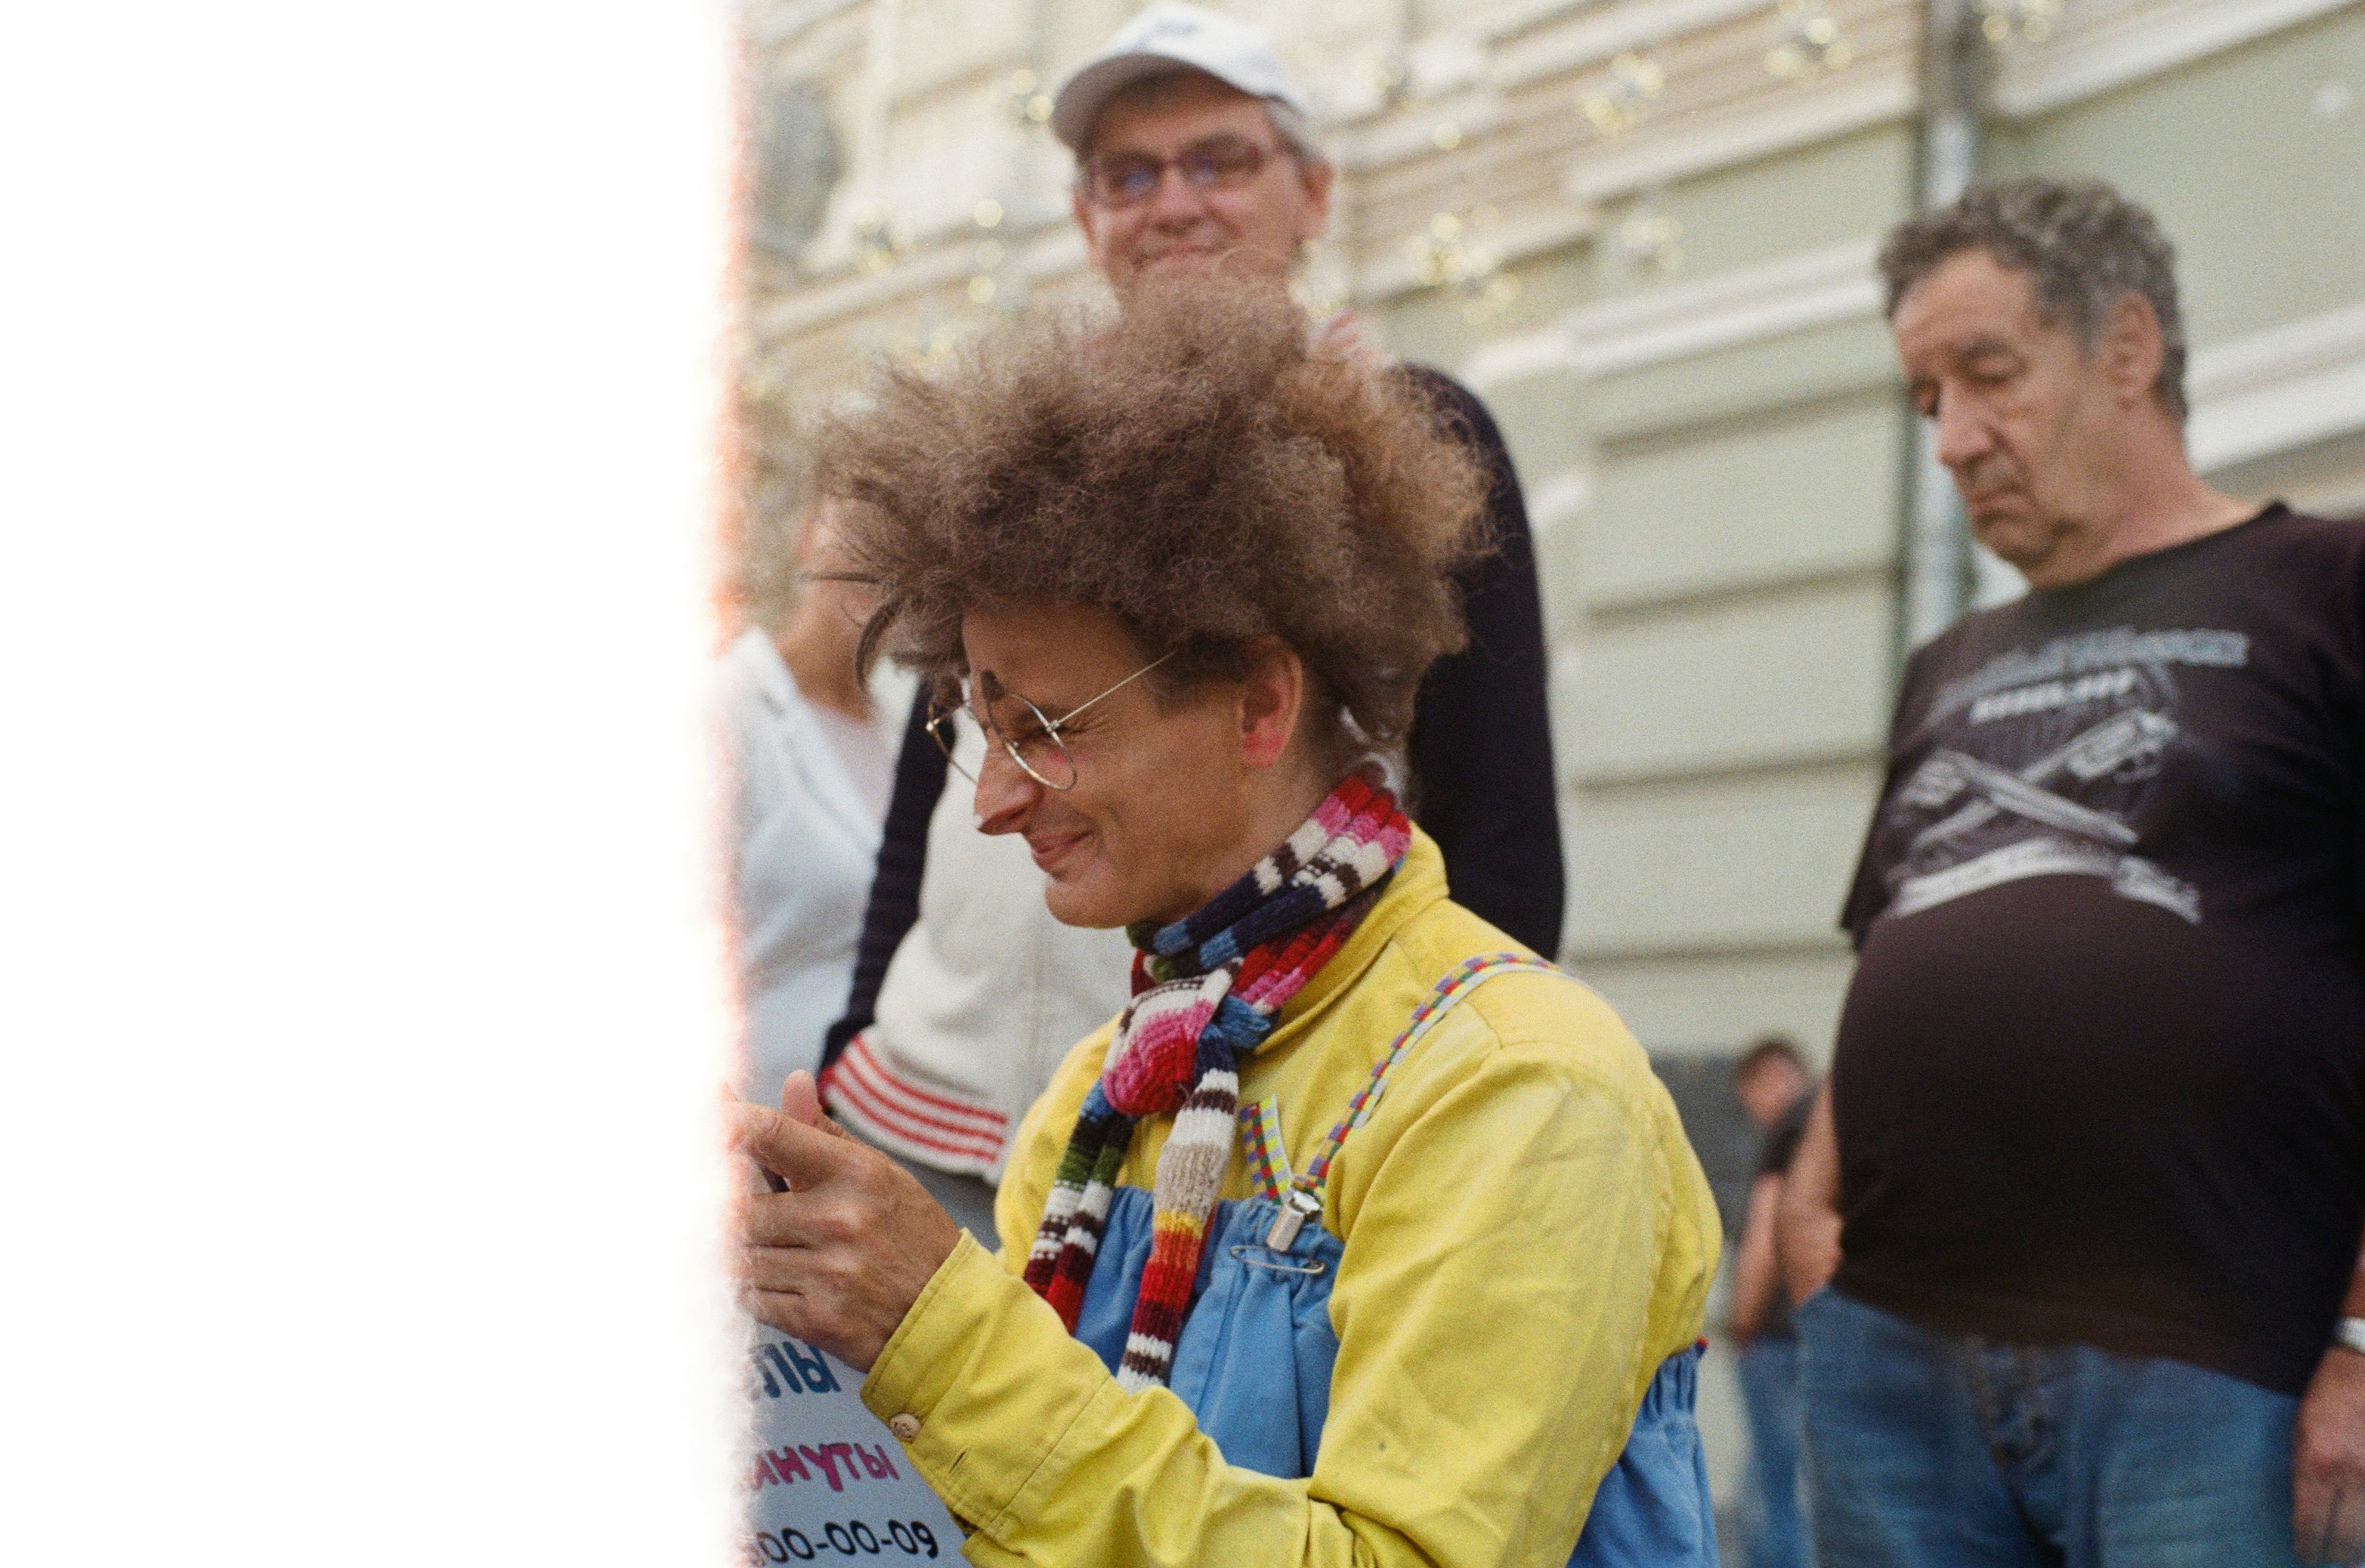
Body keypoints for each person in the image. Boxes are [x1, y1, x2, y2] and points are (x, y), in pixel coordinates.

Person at [730, 283, 1720, 1566]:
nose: (993, 800)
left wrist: (939, 1328)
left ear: (1260, 704)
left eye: (1052, 727)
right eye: (979, 727)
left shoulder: (1516, 1088)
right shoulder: (1103, 1094)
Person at [814, 2, 1563, 1209]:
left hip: (1238, 1141)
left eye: (1218, 160)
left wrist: (1459, 1119)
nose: (1171, 202)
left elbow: (1497, 812)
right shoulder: (1015, 432)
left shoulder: (1411, 430)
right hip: (927, 1112)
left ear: (1312, 194)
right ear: (1084, 216)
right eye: (1127, 173)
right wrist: (853, 1038)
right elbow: (936, 768)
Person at [1777, 178, 2365, 1568]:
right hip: (1892, 1364)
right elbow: (1903, 936)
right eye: (1928, 401)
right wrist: (1810, 1219)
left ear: (2126, 348)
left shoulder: (2329, 589)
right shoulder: (1949, 665)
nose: (1957, 440)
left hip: (2214, 1363)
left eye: (1988, 375)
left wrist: (2360, 1333)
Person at [719, 503, 897, 1109]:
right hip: (747, 1117)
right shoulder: (721, 710)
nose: (882, 551)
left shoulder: (908, 728)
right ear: (805, 531)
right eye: (865, 520)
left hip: (869, 1126)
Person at [1726, 1036, 1815, 1568]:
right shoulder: (1826, 1136)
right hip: (1807, 1334)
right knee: (1770, 1478)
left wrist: (1742, 1320)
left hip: (1776, 1336)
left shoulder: (1787, 1138)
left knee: (1778, 1484)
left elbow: (1763, 1235)